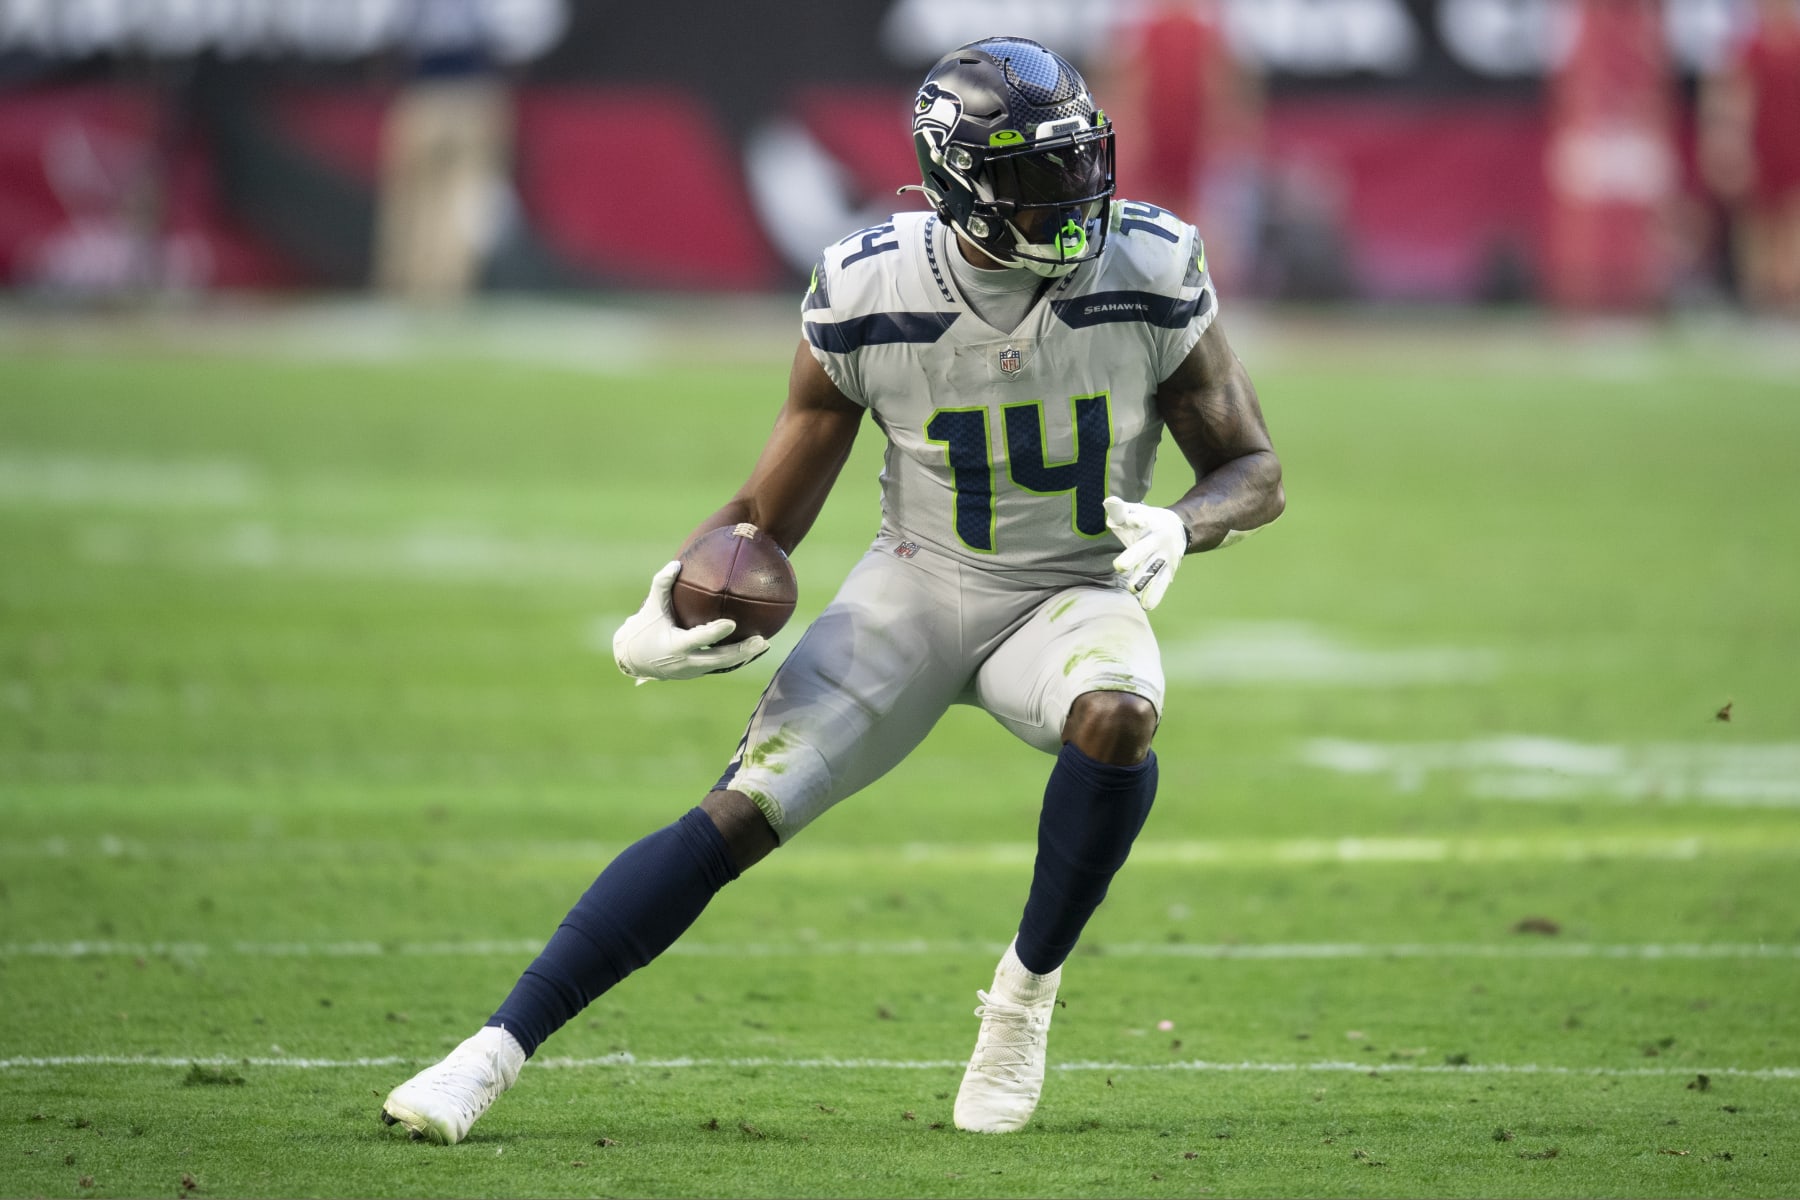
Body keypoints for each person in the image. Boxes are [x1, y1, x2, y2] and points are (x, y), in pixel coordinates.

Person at [379, 35, 1283, 1145]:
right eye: (1036, 177)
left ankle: (1022, 1000)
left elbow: (1255, 468)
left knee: (1119, 714)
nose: (1075, 197)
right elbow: (771, 509)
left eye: (1079, 161)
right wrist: (661, 607)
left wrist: (1183, 528)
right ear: (960, 181)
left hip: (1073, 587)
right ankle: (489, 1053)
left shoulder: (1149, 262)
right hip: (922, 582)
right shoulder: (871, 285)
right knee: (738, 813)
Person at [1699, 0, 1800, 314]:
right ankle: (1763, 296)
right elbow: (1733, 99)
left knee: (1791, 221)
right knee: (1758, 224)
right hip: (1761, 143)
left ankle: (1789, 294)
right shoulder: (1749, 46)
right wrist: (1730, 145)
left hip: (1793, 141)